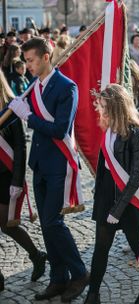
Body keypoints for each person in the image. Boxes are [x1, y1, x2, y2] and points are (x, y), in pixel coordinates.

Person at [8, 37, 88, 302]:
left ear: (46, 57)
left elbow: (60, 130)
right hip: (40, 163)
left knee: (54, 222)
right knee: (46, 225)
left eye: (31, 60)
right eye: (26, 61)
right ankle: (58, 278)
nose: (27, 66)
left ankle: (79, 273)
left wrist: (28, 117)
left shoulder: (67, 87)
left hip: (59, 164)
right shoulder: (34, 86)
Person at [83, 84, 139, 304]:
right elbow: (103, 168)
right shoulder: (108, 131)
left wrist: (118, 209)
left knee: (138, 249)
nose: (100, 109)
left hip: (129, 200)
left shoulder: (135, 133)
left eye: (104, 106)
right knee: (101, 249)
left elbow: (136, 177)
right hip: (108, 197)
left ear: (116, 107)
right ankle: (93, 294)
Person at [0, 70, 47, 293]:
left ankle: (36, 255)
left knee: (7, 224)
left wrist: (17, 181)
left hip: (5, 175)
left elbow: (19, 147)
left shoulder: (10, 107)